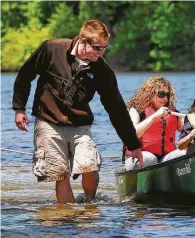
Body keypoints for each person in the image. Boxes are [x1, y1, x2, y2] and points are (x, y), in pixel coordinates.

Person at [12, 20, 143, 204]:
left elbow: (117, 109)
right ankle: (69, 217)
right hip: (48, 120)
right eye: (97, 47)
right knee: (60, 173)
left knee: (90, 166)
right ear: (83, 40)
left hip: (80, 123)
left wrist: (133, 144)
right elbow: (25, 75)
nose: (101, 52)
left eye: (104, 48)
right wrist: (19, 108)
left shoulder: (102, 70)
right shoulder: (51, 49)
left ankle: (89, 204)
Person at [123, 76, 186, 170]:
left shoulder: (174, 113)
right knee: (149, 158)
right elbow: (131, 134)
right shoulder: (136, 110)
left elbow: (187, 130)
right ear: (150, 94)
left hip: (165, 159)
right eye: (161, 94)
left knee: (184, 153)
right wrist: (155, 116)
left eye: (167, 95)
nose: (165, 98)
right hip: (141, 156)